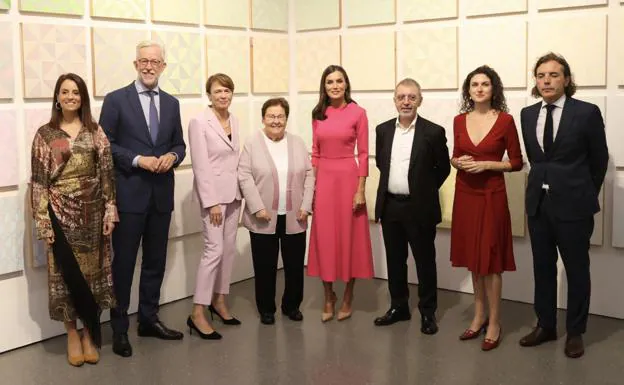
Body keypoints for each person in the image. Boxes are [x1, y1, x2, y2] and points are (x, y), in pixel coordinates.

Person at [99, 40, 186, 357]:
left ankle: (148, 319)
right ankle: (119, 329)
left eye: (156, 61)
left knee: (155, 263)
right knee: (122, 266)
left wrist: (172, 158)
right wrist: (138, 160)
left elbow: (180, 145)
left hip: (161, 197)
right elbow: (104, 145)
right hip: (130, 198)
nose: (149, 66)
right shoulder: (116, 100)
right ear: (135, 64)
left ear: (163, 66)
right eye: (144, 61)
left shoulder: (173, 103)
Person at [518, 53, 608, 358]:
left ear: (566, 80)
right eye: (541, 75)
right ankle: (545, 325)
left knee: (577, 270)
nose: (546, 80)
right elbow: (536, 159)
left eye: (554, 75)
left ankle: (576, 331)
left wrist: (582, 193)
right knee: (542, 269)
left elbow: (599, 160)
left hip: (574, 207)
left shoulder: (586, 112)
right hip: (539, 206)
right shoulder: (527, 114)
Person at [31, 73, 117, 366]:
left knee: (92, 276)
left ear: (83, 98)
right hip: (59, 215)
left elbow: (106, 172)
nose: (71, 97)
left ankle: (89, 332)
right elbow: (40, 182)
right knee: (65, 278)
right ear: (57, 97)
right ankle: (71, 333)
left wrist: (110, 210)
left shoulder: (95, 131)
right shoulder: (46, 134)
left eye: (76, 92)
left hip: (92, 216)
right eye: (65, 92)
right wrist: (43, 222)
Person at [450, 66, 523, 350]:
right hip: (466, 193)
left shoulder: (505, 121)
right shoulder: (458, 121)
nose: (479, 89)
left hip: (492, 194)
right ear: (468, 91)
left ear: (494, 89)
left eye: (485, 84)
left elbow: (516, 162)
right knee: (473, 258)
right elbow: (455, 156)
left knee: (491, 261)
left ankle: (495, 321)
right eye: (474, 84)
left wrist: (488, 164)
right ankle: (478, 316)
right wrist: (457, 162)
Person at [372, 78, 450, 335]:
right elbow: (382, 165)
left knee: (425, 261)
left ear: (420, 100)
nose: (406, 101)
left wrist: (423, 190)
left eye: (411, 97)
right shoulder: (383, 130)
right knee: (395, 261)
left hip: (419, 208)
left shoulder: (433, 132)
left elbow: (443, 168)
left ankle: (428, 313)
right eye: (401, 97)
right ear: (394, 100)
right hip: (391, 205)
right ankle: (399, 307)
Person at [238, 97, 314, 325]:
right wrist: (257, 207)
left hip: (295, 215)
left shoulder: (298, 142)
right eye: (271, 116)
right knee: (264, 266)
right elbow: (244, 175)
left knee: (294, 266)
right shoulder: (252, 143)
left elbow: (310, 175)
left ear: (286, 119)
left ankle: (292, 305)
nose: (276, 120)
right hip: (263, 217)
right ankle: (266, 309)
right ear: (263, 118)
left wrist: (306, 205)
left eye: (280, 116)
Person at [307, 65, 374, 322]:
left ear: (346, 84)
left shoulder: (359, 113)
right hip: (323, 179)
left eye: (339, 81)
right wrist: (311, 186)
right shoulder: (318, 114)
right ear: (324, 87)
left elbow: (365, 153)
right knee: (324, 237)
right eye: (329, 82)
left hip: (348, 179)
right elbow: (314, 151)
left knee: (350, 237)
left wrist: (361, 190)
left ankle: (347, 296)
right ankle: (327, 296)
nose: (334, 86)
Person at [186, 73, 242, 339]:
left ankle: (220, 300)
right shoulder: (199, 122)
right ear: (209, 94)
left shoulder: (235, 120)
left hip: (234, 196)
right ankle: (198, 311)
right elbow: (200, 165)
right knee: (214, 251)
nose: (223, 95)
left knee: (228, 251)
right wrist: (212, 203)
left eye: (227, 90)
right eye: (218, 91)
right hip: (215, 200)